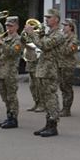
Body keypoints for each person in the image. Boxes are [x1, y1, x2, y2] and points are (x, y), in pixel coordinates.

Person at [26, 8, 66, 137]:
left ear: (56, 19)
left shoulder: (59, 34)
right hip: (43, 68)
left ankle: (53, 124)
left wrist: (33, 34)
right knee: (45, 97)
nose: (46, 19)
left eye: (49, 17)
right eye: (46, 17)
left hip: (51, 69)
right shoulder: (49, 33)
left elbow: (44, 46)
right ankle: (48, 123)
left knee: (51, 97)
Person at [0, 16, 24, 129]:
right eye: (7, 25)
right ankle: (8, 116)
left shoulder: (18, 39)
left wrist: (1, 43)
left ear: (16, 27)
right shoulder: (6, 39)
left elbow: (12, 52)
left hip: (10, 71)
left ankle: (14, 118)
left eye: (10, 26)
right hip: (1, 71)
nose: (8, 27)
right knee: (4, 96)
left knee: (11, 96)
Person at [58, 19, 80, 118]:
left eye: (66, 25)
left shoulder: (74, 39)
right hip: (61, 64)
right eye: (63, 25)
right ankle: (64, 107)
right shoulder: (64, 37)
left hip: (68, 65)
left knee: (67, 87)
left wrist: (60, 42)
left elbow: (67, 51)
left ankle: (67, 109)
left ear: (71, 27)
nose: (64, 27)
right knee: (62, 86)